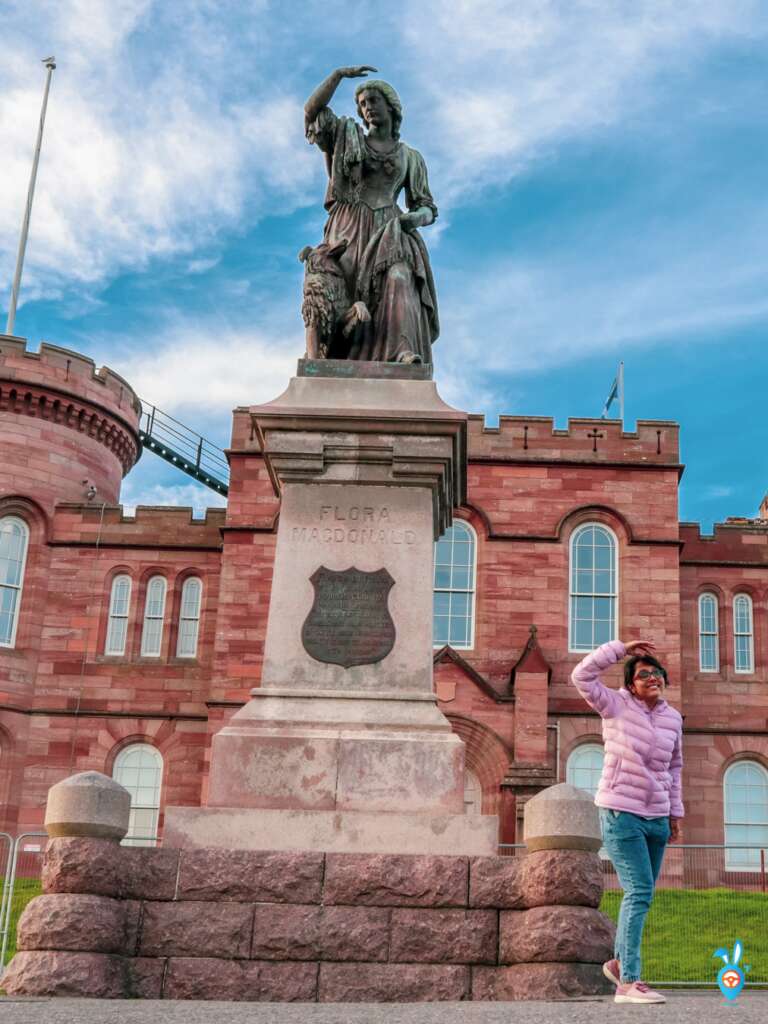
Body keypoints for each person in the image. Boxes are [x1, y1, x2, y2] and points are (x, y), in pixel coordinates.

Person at [570, 638, 684, 1005]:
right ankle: (629, 983)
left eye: (656, 673)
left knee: (642, 895)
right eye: (643, 674)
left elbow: (675, 768)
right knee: (638, 892)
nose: (652, 677)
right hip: (621, 812)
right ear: (631, 684)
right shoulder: (616, 705)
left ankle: (619, 965)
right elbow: (581, 675)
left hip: (656, 818)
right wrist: (619, 649)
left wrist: (674, 812)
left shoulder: (672, 718)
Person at [303, 65, 439, 365]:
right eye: (363, 104)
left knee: (400, 277)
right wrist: (338, 76)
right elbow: (312, 112)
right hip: (348, 229)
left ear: (391, 106)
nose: (368, 109)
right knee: (344, 297)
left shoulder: (410, 157)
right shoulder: (347, 136)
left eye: (374, 101)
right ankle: (336, 357)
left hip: (390, 230)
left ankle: (401, 352)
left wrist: (415, 219)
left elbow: (426, 206)